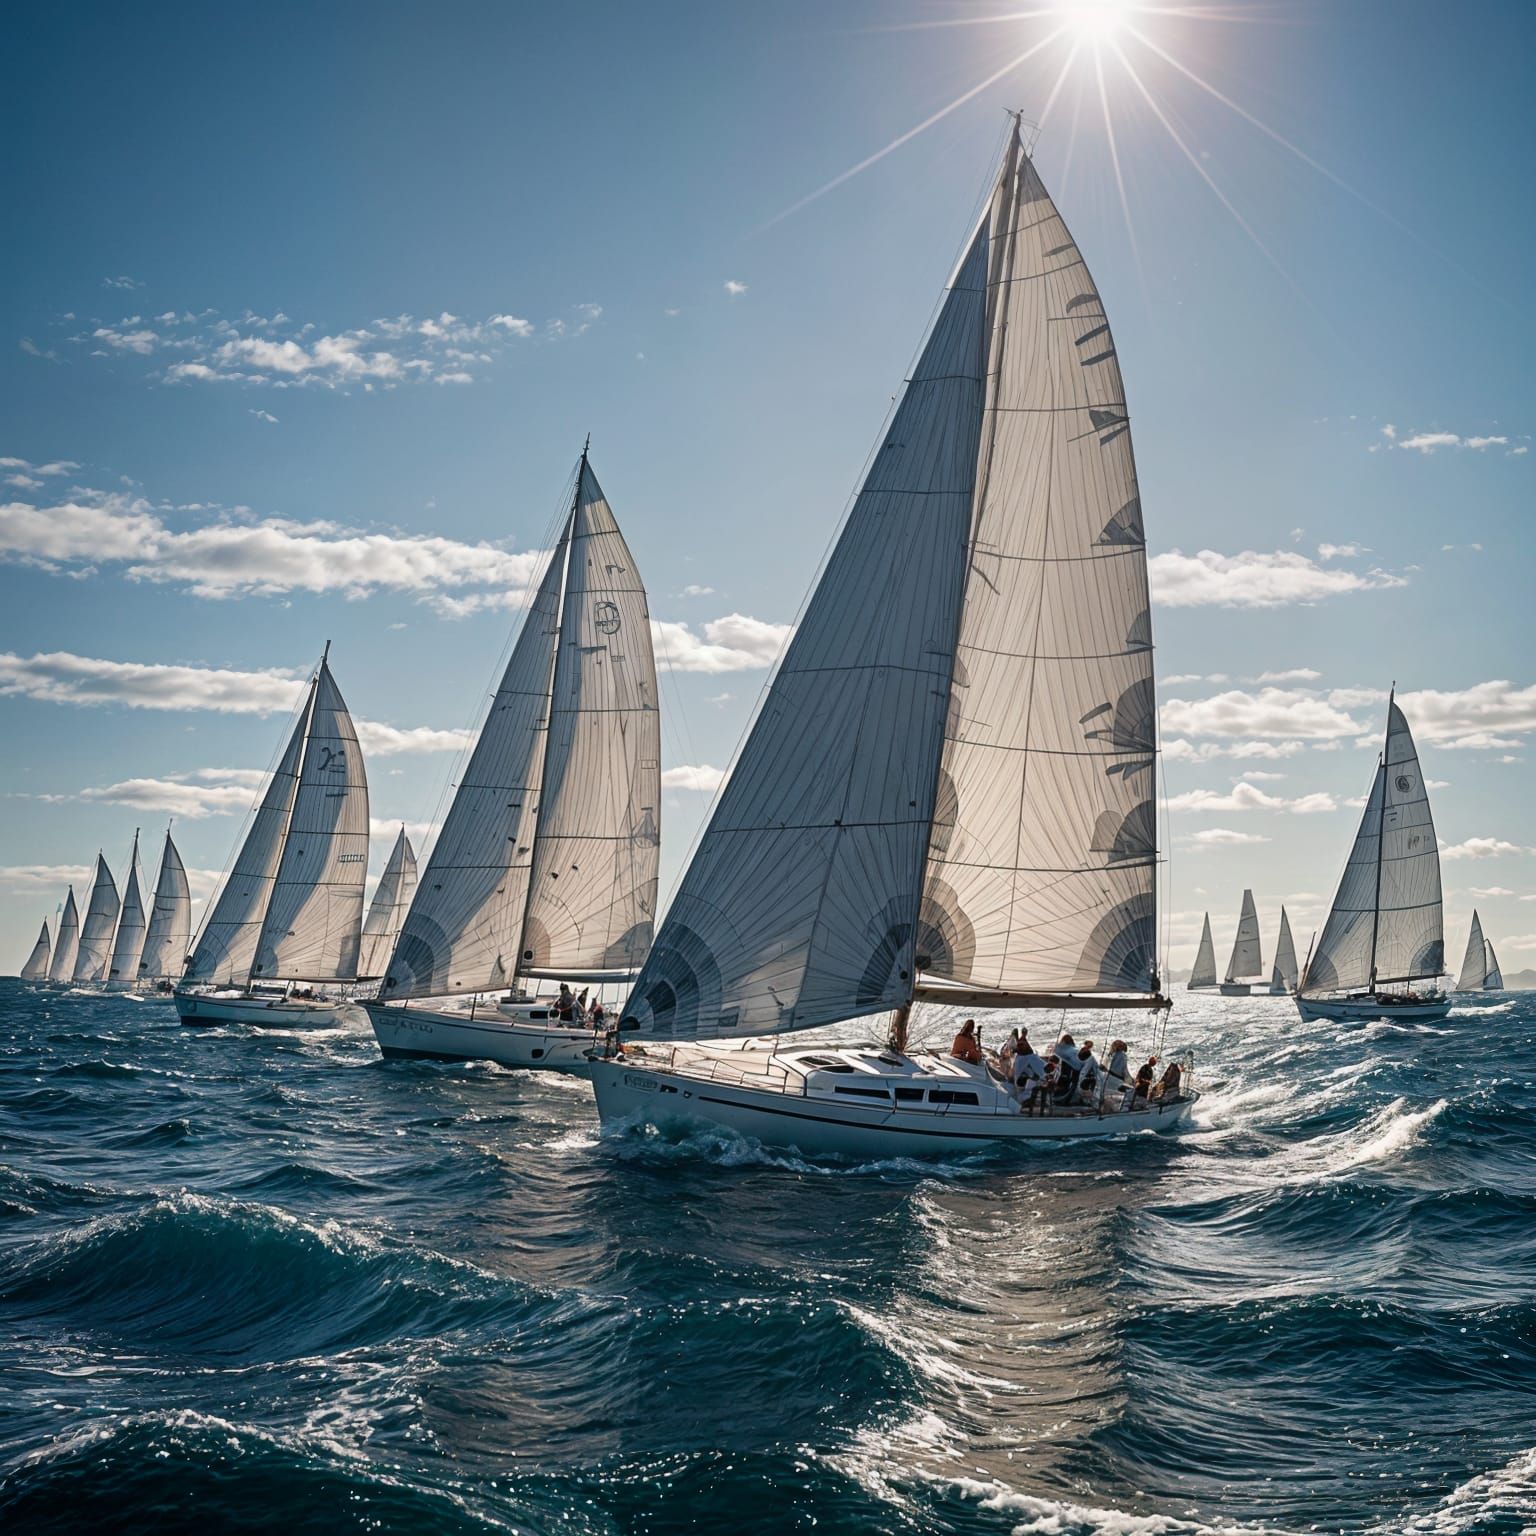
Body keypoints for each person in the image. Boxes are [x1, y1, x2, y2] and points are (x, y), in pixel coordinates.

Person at [1012, 1041, 1048, 1111]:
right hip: (1028, 1090)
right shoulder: (1030, 1058)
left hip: (1022, 1088)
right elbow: (1042, 1071)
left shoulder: (1019, 1058)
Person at [1050, 1033, 1080, 1103]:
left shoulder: (1065, 1060)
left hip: (1064, 1089)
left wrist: (1053, 1083)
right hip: (1072, 1084)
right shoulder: (1075, 1053)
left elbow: (1063, 1077)